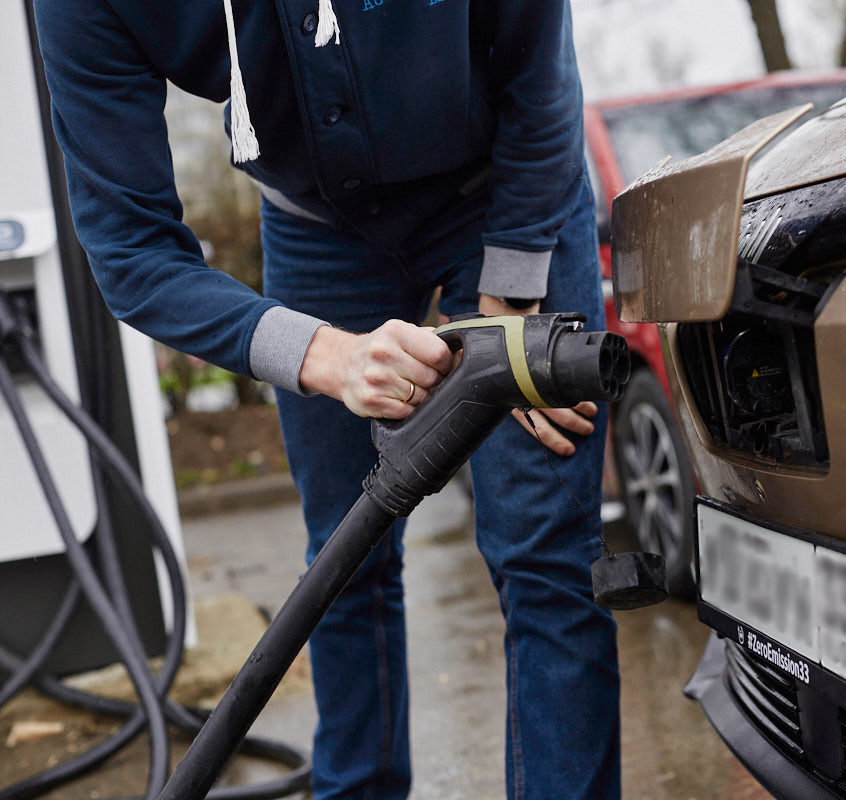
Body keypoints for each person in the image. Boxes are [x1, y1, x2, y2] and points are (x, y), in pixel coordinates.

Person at [32, 1, 620, 798]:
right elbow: (131, 250)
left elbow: (538, 60)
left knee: (544, 549)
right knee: (346, 554)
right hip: (317, 230)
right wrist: (323, 355)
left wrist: (510, 299)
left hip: (506, 191)